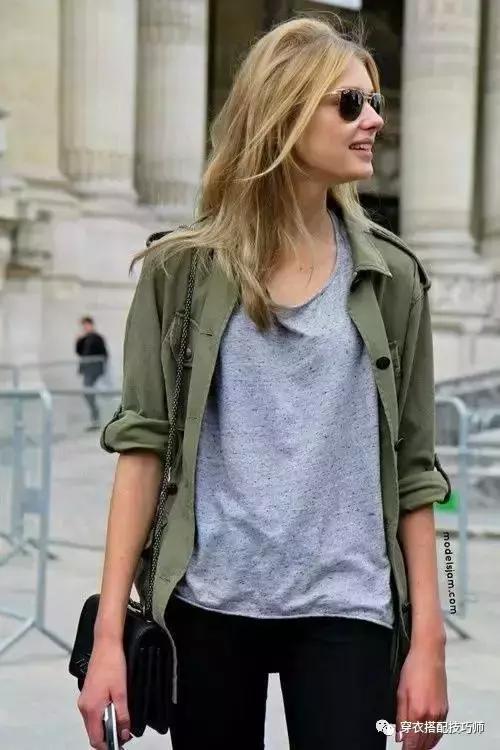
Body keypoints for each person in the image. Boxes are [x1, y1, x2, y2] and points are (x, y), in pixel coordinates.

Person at [77, 17, 451, 750]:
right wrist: (109, 636)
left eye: (374, 102)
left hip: (350, 607)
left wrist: (432, 639)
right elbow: (142, 451)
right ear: (284, 114)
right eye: (350, 103)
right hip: (208, 605)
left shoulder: (396, 279)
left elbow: (417, 473)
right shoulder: (179, 272)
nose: (374, 120)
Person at [75, 316, 108, 430]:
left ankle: (96, 418)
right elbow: (79, 352)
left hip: (94, 369)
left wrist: (101, 368)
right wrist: (79, 341)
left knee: (88, 391)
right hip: (87, 369)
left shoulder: (97, 338)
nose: (85, 327)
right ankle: (95, 418)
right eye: (83, 325)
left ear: (91, 325)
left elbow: (104, 354)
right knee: (88, 392)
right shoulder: (84, 339)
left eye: (86, 325)